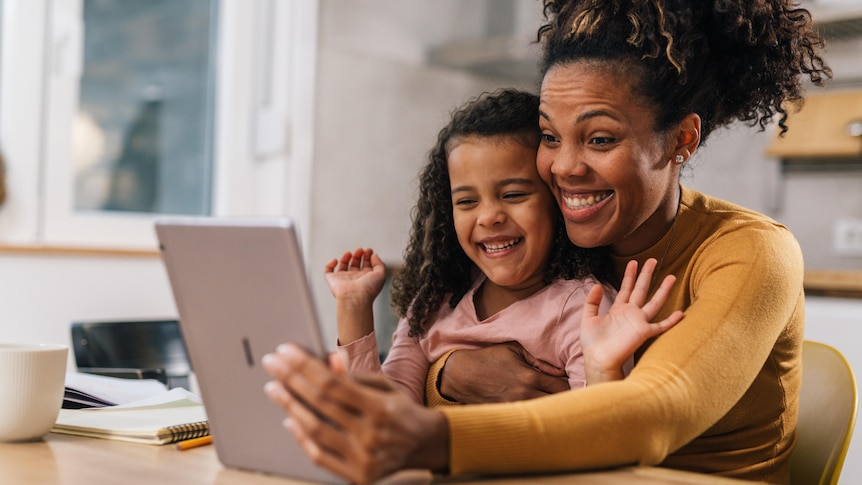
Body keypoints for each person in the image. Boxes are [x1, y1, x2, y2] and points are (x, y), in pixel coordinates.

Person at [261, 0, 831, 483]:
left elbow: (652, 411)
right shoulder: (562, 246)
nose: (563, 167)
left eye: (600, 138)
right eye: (550, 137)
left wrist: (437, 428)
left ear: (680, 139)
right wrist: (447, 372)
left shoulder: (751, 252)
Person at [323, 89, 683, 404]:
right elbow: (384, 414)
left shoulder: (582, 309)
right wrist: (353, 309)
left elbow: (596, 432)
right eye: (466, 202)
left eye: (513, 195)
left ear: (557, 202)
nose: (489, 216)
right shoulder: (434, 306)